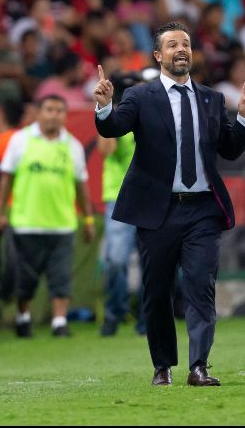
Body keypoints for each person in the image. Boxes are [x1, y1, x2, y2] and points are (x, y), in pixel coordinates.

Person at [93, 22, 245, 387]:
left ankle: (199, 366)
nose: (181, 49)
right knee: (157, 291)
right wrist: (104, 106)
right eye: (172, 45)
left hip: (203, 210)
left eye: (185, 43)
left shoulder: (212, 99)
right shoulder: (139, 96)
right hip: (158, 210)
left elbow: (229, 149)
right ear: (158, 55)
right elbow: (113, 128)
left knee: (200, 285)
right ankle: (162, 365)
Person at [0, 95, 96, 338]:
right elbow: (6, 179)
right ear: (38, 113)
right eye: (49, 109)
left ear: (65, 116)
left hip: (62, 225)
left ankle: (59, 322)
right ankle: (23, 317)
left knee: (61, 278)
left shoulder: (73, 146)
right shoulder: (20, 140)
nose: (54, 115)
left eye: (59, 110)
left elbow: (81, 186)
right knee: (24, 280)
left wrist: (88, 220)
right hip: (26, 223)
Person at [98, 70, 145, 337]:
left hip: (150, 196)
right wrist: (109, 111)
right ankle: (115, 312)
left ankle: (147, 317)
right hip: (119, 197)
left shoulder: (152, 115)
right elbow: (106, 149)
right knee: (115, 260)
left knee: (153, 261)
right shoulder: (115, 116)